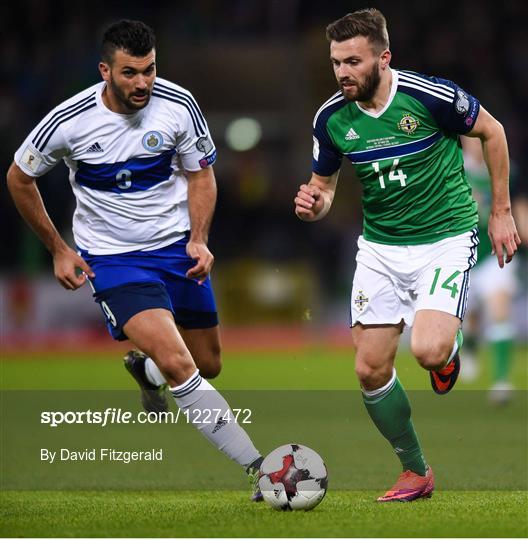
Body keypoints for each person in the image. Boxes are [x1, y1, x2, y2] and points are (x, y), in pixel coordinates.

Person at [7, 19, 263, 500]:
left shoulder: (180, 105)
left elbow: (201, 175)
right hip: (113, 260)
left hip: (175, 249)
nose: (142, 83)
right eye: (129, 73)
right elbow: (19, 178)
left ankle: (145, 372)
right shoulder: (68, 120)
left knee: (208, 364)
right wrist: (59, 249)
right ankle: (261, 469)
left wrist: (201, 238)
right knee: (179, 361)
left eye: (148, 71)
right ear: (105, 70)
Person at [294, 8, 520, 502]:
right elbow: (323, 187)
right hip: (379, 248)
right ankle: (416, 471)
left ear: (383, 57)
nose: (342, 73)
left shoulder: (429, 96)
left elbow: (494, 131)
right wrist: (315, 203)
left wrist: (501, 211)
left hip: (445, 237)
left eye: (353, 61)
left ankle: (448, 355)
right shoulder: (331, 119)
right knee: (369, 369)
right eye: (336, 62)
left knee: (428, 351)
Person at [460, 136, 518, 404]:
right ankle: (469, 346)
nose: (476, 144)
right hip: (464, 257)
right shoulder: (453, 168)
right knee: (470, 317)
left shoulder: (506, 169)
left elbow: (517, 205)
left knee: (499, 311)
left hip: (497, 255)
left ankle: (502, 381)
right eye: (471, 139)